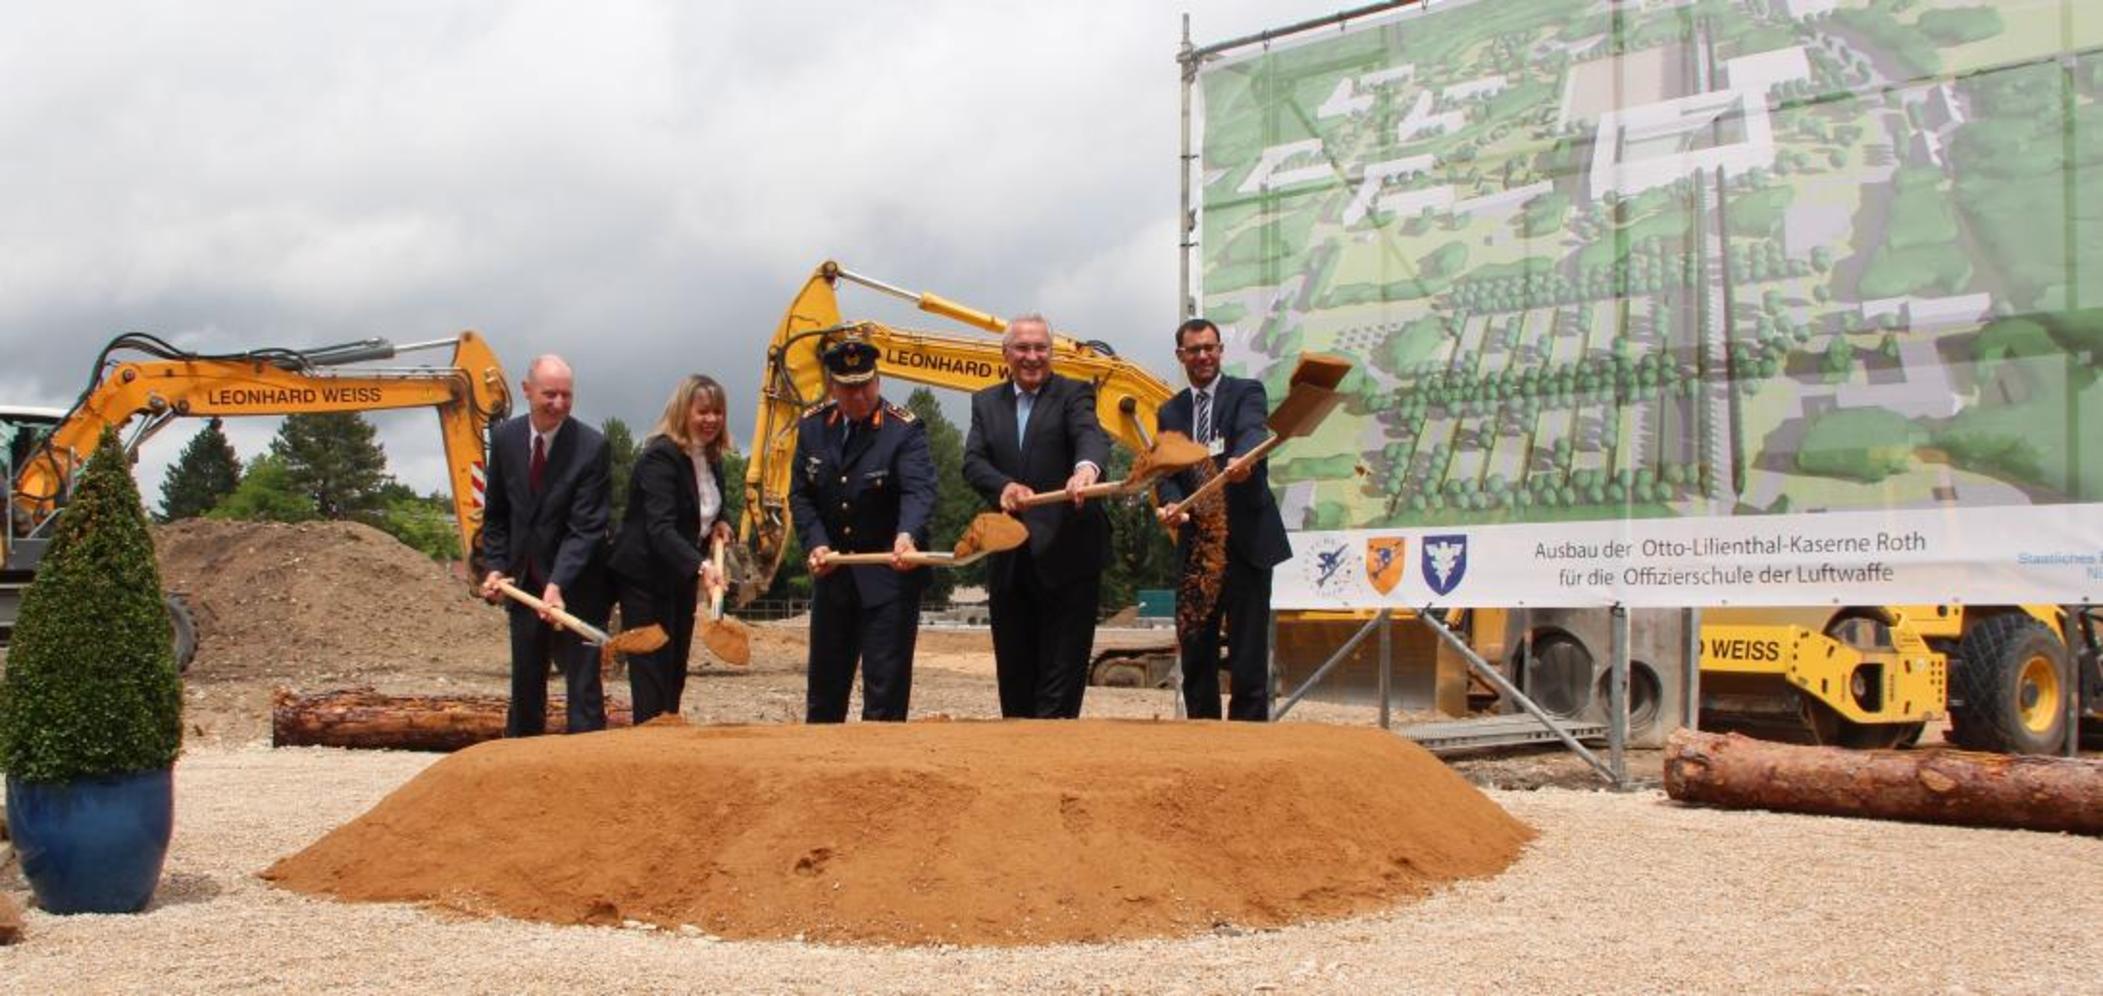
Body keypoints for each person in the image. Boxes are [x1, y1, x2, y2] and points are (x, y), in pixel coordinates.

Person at [961, 313, 1109, 719]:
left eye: (1040, 347)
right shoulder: (985, 402)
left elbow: (1089, 436)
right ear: (1005, 353)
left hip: (1068, 558)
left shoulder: (1075, 394)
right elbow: (973, 461)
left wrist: (1086, 470)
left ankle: (1056, 766)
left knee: (1060, 684)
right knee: (1015, 680)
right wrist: (1003, 486)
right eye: (1023, 348)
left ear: (1052, 352)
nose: (1032, 356)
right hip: (1010, 562)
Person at [788, 337, 936, 722]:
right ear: (832, 386)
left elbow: (919, 491)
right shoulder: (812, 427)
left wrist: (908, 535)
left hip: (888, 577)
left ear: (878, 381)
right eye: (847, 387)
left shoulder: (903, 430)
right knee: (823, 692)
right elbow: (801, 496)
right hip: (834, 574)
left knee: (884, 695)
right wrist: (816, 544)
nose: (857, 396)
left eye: (864, 385)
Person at [1155, 318, 1291, 721]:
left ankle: (1248, 743)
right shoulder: (1170, 411)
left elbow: (1253, 431)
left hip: (1246, 543)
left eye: (1210, 348)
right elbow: (1166, 473)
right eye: (1194, 350)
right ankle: (1203, 737)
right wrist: (1171, 504)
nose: (1203, 356)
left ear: (1220, 351)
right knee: (1196, 651)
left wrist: (1243, 459)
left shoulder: (1247, 392)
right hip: (1198, 548)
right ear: (1181, 356)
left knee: (1248, 656)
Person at [479, 354, 614, 735]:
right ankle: (520, 767)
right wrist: (495, 566)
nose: (559, 404)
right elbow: (496, 515)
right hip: (524, 584)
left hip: (579, 585)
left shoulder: (592, 447)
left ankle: (586, 773)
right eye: (549, 394)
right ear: (527, 391)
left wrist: (558, 584)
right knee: (526, 685)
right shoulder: (505, 438)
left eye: (566, 396)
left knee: (584, 691)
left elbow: (586, 527)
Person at [608, 374, 734, 724]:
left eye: (718, 412)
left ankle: (667, 739)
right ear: (684, 411)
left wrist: (721, 521)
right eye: (703, 411)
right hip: (644, 579)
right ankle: (649, 744)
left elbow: (704, 505)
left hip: (678, 575)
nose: (711, 420)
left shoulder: (712, 457)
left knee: (675, 667)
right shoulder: (659, 457)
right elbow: (660, 527)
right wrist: (704, 568)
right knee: (652, 666)